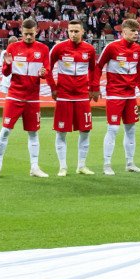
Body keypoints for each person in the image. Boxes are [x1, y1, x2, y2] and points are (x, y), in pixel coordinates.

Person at [0, 18, 50, 178]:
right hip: (15, 96)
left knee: (33, 133)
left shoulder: (43, 49)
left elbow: (47, 70)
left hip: (33, 99)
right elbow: (5, 73)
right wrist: (8, 64)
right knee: (5, 130)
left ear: (37, 31)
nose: (29, 37)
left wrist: (45, 73)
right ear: (21, 32)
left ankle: (35, 167)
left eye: (31, 34)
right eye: (26, 34)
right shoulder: (13, 47)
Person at [49, 20, 99, 177]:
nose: (73, 34)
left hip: (82, 96)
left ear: (83, 31)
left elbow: (93, 70)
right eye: (70, 31)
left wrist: (94, 88)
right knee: (61, 132)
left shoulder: (89, 49)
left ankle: (81, 166)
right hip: (64, 96)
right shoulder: (59, 48)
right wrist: (53, 87)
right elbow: (47, 68)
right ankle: (63, 167)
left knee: (85, 130)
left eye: (76, 31)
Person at [97, 18, 140, 175]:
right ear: (123, 32)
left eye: (137, 31)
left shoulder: (138, 50)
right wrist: (95, 87)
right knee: (114, 128)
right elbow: (98, 67)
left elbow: (137, 71)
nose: (136, 33)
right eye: (133, 31)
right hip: (115, 95)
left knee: (131, 129)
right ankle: (106, 164)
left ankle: (130, 163)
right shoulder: (112, 47)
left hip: (131, 96)